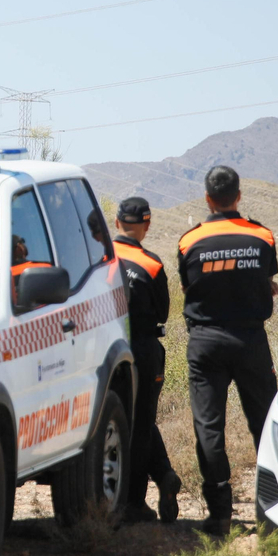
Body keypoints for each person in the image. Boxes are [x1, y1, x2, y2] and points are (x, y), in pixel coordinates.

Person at [175, 166, 278, 535]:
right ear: (238, 196)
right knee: (266, 424)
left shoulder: (190, 241)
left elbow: (191, 288)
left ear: (207, 199)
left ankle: (219, 514)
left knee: (209, 427)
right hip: (251, 340)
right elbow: (268, 283)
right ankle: (273, 511)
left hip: (206, 341)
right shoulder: (262, 235)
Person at [111, 197, 182, 523]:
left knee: (117, 421)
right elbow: (163, 312)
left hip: (104, 348)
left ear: (115, 223)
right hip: (143, 348)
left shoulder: (100, 259)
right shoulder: (151, 265)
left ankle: (118, 494)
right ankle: (135, 501)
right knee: (141, 423)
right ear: (147, 225)